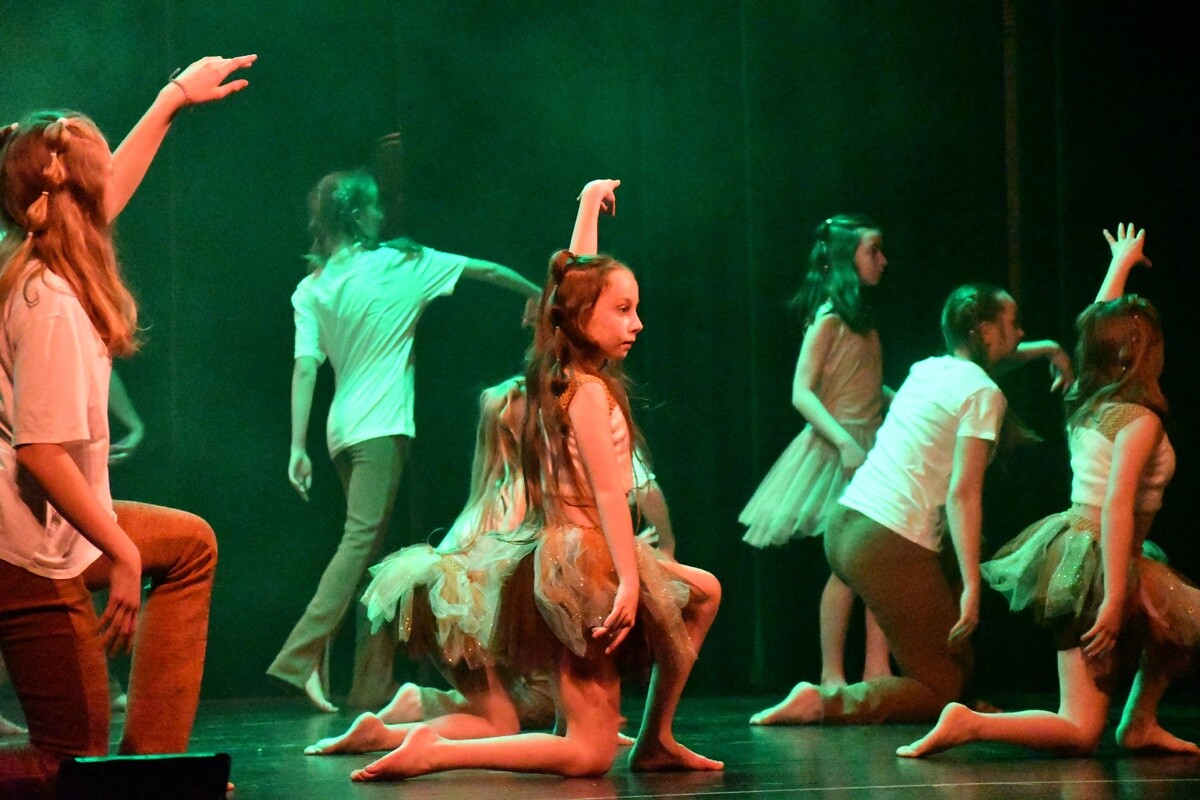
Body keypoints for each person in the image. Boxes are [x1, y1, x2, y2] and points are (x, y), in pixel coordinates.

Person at [343, 179, 722, 781]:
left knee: (703, 592)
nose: (637, 323)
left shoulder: (559, 370)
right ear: (581, 316)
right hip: (582, 563)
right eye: (623, 310)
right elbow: (608, 493)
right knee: (589, 754)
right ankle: (436, 751)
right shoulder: (587, 392)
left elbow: (572, 280)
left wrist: (588, 206)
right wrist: (628, 579)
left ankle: (656, 738)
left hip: (568, 556)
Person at [0, 55, 254, 790]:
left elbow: (108, 187)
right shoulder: (48, 301)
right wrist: (121, 551)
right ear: (70, 194)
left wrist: (173, 98)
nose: (111, 174)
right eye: (97, 165)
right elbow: (41, 453)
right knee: (65, 764)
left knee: (190, 545)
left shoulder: (46, 253)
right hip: (24, 550)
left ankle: (154, 774)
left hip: (50, 527)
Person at [899, 224, 1200, 758]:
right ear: (1140, 354)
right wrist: (1114, 599)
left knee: (1180, 626)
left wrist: (1119, 266)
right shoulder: (1139, 421)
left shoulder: (1083, 396)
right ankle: (970, 723)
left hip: (1082, 551)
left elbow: (1096, 329)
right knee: (1080, 729)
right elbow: (1116, 507)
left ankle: (1140, 721)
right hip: (1103, 559)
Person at [267, 170, 542, 713]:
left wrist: (298, 446)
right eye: (373, 207)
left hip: (341, 432)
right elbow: (485, 270)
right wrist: (538, 292)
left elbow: (305, 368)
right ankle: (300, 656)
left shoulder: (313, 286)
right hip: (381, 428)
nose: (381, 215)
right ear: (356, 216)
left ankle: (370, 684)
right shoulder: (401, 264)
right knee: (359, 543)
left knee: (374, 557)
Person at [750, 280, 1072, 726]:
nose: (1020, 334)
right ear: (984, 330)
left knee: (954, 603)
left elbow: (990, 360)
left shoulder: (929, 370)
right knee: (941, 689)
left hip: (846, 523)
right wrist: (974, 588)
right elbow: (962, 493)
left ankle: (961, 694)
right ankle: (824, 702)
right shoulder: (984, 395)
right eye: (1012, 324)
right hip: (886, 541)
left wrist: (1049, 350)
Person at [741, 214, 892, 688]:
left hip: (872, 445)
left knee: (876, 563)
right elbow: (801, 393)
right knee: (847, 566)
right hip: (840, 448)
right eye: (873, 251)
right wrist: (845, 441)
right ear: (848, 259)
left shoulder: (860, 319)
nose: (883, 260)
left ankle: (877, 668)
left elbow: (863, 385)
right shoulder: (828, 318)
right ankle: (832, 673)